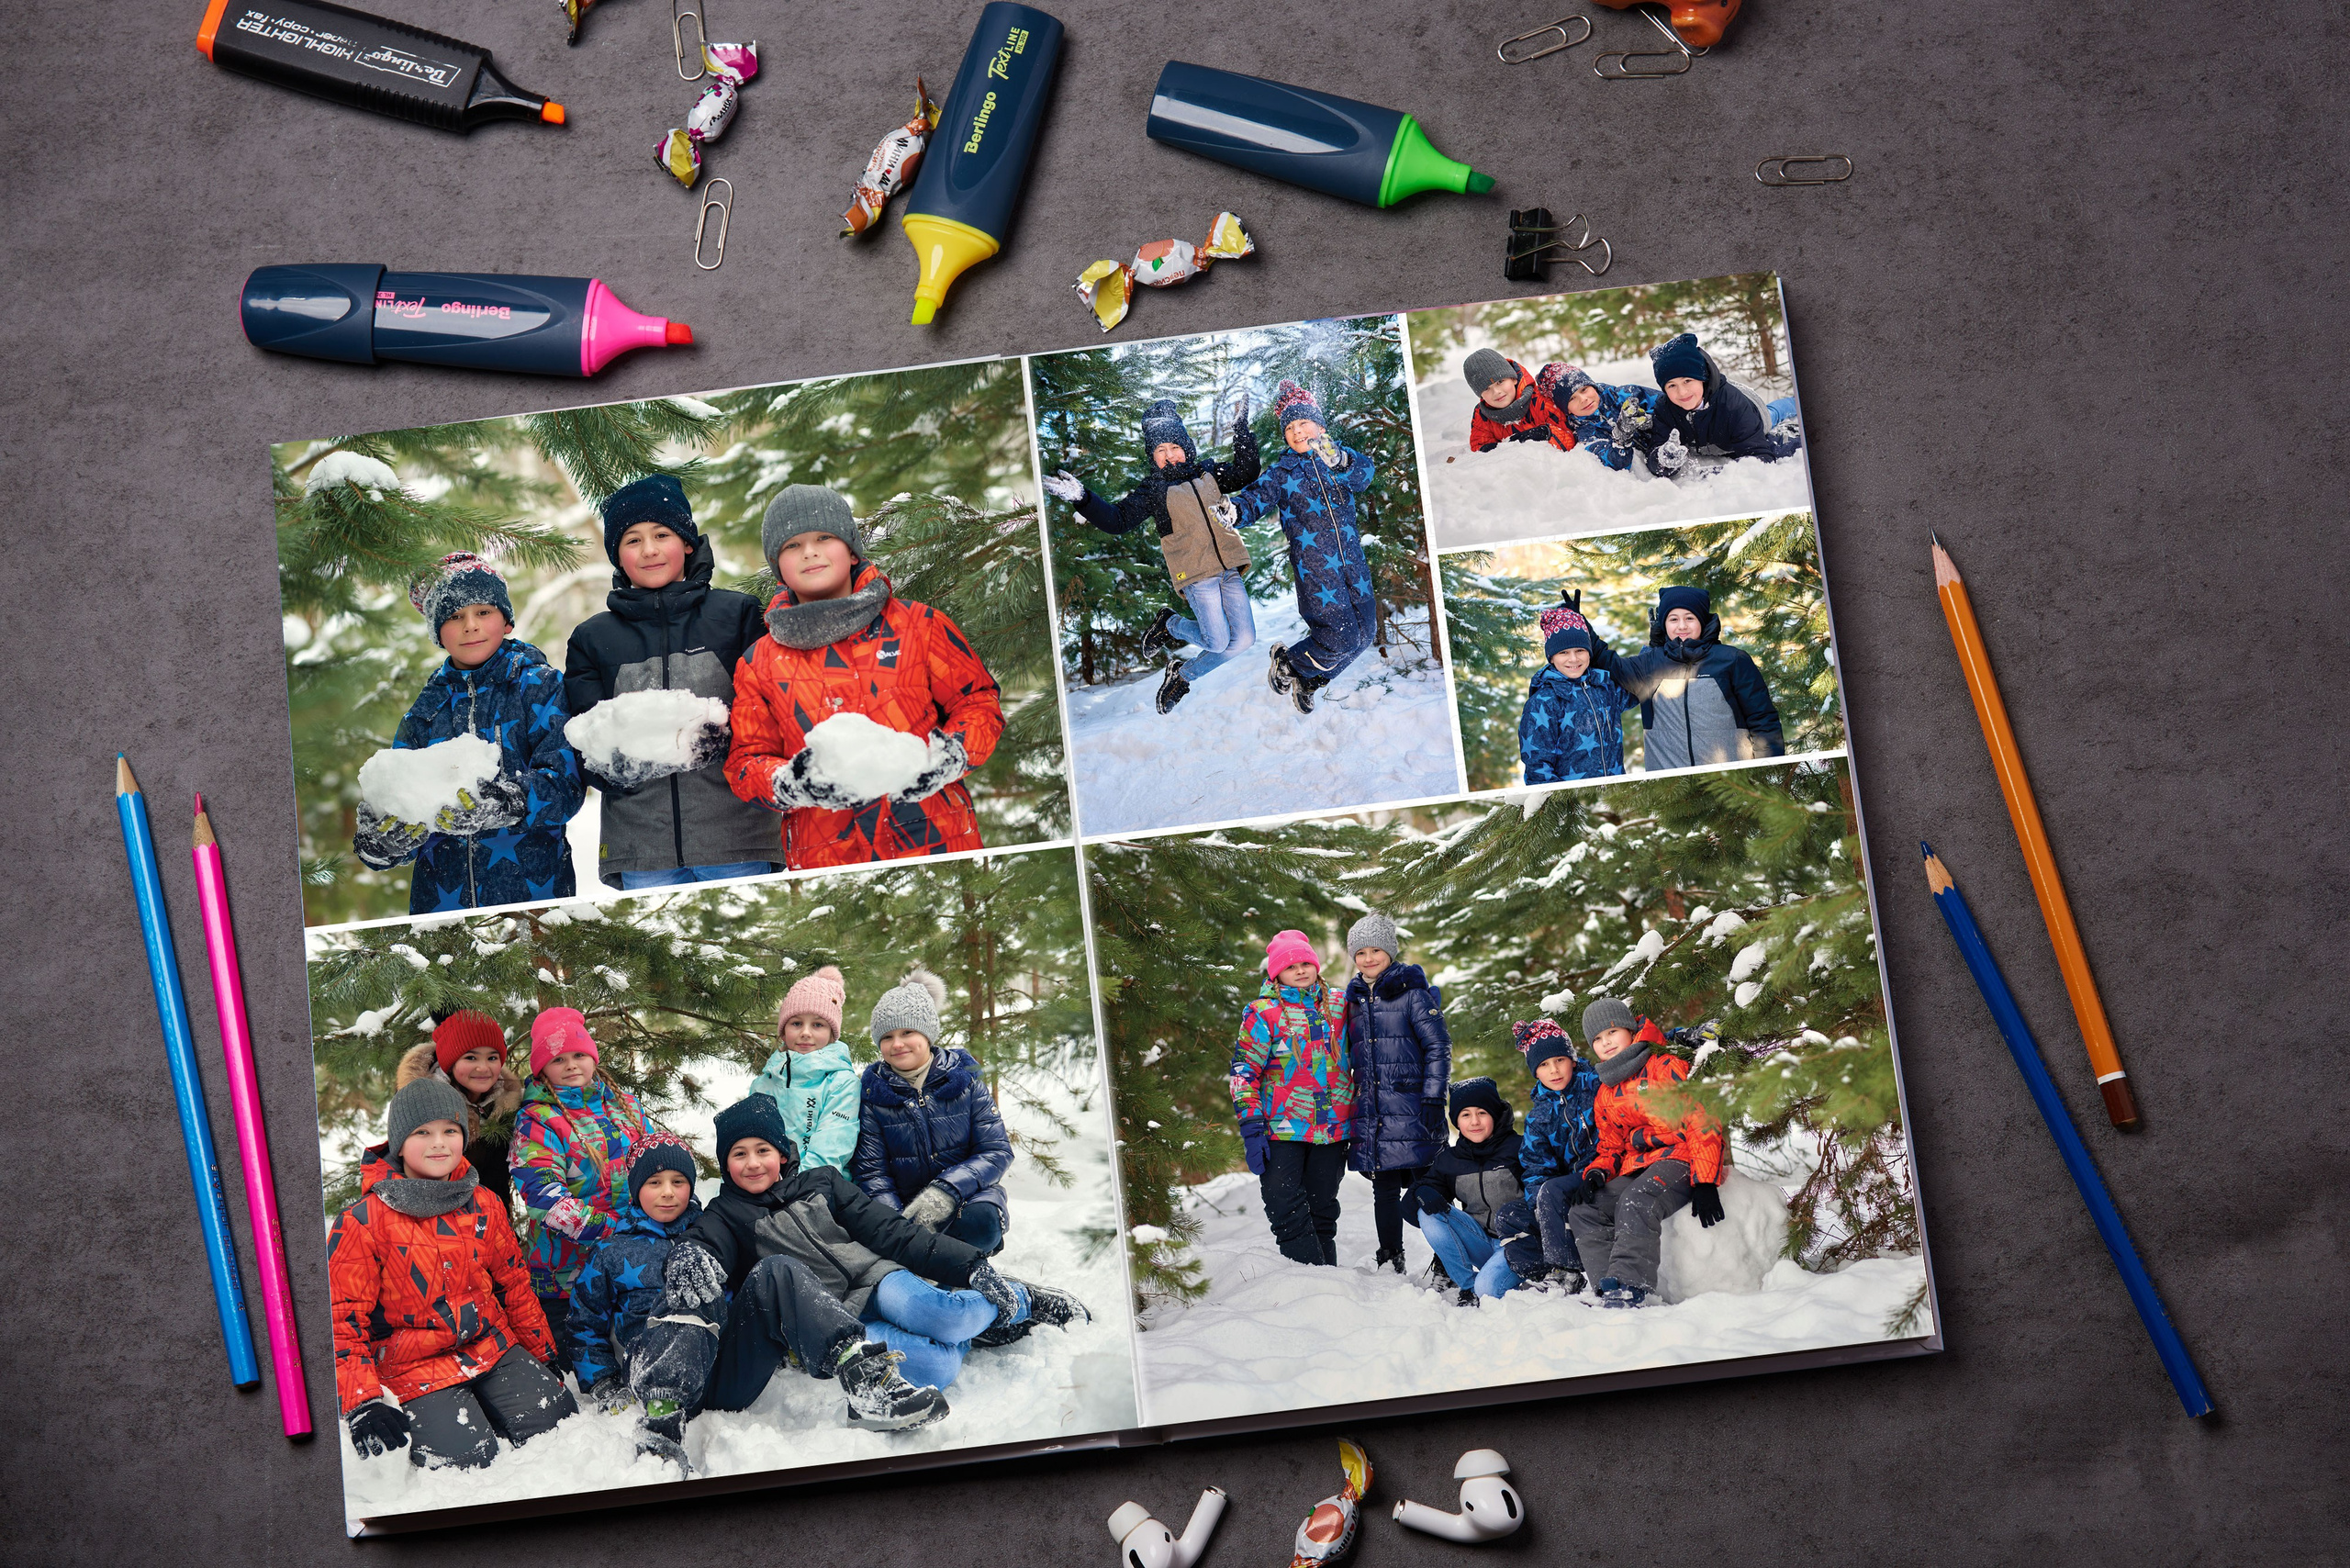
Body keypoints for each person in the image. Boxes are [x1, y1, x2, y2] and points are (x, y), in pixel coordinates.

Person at [627, 1097, 1087, 1467]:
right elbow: (705, 1242)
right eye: (738, 1154)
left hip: (877, 1277)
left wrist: (973, 1268)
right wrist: (688, 1252)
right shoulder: (725, 1214)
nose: (752, 1163)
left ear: (782, 1153)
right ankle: (976, 1333)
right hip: (834, 1317)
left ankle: (1022, 1298)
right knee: (934, 1368)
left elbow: (893, 1232)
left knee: (940, 1312)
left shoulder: (822, 1183)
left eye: (762, 1150)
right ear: (725, 1164)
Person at [724, 485, 1003, 869]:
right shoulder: (759, 662)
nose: (810, 552)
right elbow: (745, 761)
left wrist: (950, 755)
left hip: (938, 846)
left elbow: (978, 702)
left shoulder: (919, 625)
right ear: (778, 566)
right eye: (792, 545)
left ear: (852, 550)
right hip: (830, 865)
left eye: (824, 537)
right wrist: (791, 782)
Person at [329, 1079, 576, 1470]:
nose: (439, 1143)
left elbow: (513, 1284)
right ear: (398, 1143)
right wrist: (362, 1399)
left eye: (450, 1131)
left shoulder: (484, 1203)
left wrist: (542, 1352)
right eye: (422, 1133)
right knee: (466, 1460)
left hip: (489, 1346)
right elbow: (341, 1319)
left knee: (558, 1421)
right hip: (413, 1365)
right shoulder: (362, 1222)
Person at [561, 473, 781, 889]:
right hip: (642, 849)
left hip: (738, 840)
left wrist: (725, 737)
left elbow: (768, 714)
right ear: (617, 555)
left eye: (662, 534)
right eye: (632, 540)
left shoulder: (737, 616)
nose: (649, 550)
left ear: (687, 543)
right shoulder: (593, 638)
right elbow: (585, 739)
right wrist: (615, 765)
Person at [352, 551, 586, 913]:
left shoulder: (538, 686)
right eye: (454, 616)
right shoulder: (426, 711)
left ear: (506, 621)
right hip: (443, 912)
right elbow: (400, 799)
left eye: (483, 612)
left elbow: (565, 786)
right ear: (437, 633)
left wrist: (504, 803)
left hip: (535, 901)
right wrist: (382, 841)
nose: (470, 626)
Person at [1041, 396, 1260, 715]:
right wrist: (1082, 498)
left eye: (1175, 447)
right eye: (1160, 450)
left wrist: (1240, 428)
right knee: (1216, 641)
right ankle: (1170, 623)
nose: (1169, 455)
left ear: (1187, 447)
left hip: (1229, 568)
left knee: (1243, 640)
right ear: (1152, 456)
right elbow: (1117, 520)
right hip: (1196, 575)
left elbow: (1247, 471)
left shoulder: (1208, 473)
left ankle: (1182, 675)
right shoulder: (1154, 490)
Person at [1215, 381, 1379, 715]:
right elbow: (1255, 499)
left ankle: (1310, 680)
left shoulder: (1338, 459)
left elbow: (1365, 476)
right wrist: (1235, 512)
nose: (1297, 431)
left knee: (1365, 635)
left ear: (1320, 426)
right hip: (1316, 572)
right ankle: (1289, 662)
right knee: (1341, 638)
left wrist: (1341, 460)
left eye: (1303, 422)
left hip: (1354, 565)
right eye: (1289, 428)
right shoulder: (1282, 472)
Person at [509, 1007, 660, 1368]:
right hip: (568, 1279)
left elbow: (660, 1168)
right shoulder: (538, 1120)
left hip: (635, 1268)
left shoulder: (625, 1106)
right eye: (558, 1059)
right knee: (578, 1368)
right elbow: (546, 1199)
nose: (571, 1065)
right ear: (542, 1068)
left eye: (579, 1054)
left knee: (647, 1351)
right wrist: (617, 1232)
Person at [1564, 998, 1728, 1308]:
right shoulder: (1606, 1090)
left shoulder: (1665, 1065)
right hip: (1639, 1164)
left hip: (1681, 1157)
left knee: (1637, 1199)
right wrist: (1597, 1172)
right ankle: (1607, 1288)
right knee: (1585, 1210)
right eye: (1597, 1038)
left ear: (1630, 1029)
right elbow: (1610, 1145)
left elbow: (1701, 1122)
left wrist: (1705, 1181)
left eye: (1611, 1032)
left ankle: (1629, 1285)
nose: (1605, 1042)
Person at [852, 969, 1014, 1254]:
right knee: (904, 1249)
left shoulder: (964, 1081)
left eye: (907, 1032)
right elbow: (872, 1172)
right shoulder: (874, 1095)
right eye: (887, 1037)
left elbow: (996, 1150)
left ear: (927, 1034)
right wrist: (897, 1223)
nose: (897, 1043)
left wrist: (947, 1189)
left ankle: (962, 1260)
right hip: (906, 1210)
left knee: (983, 1223)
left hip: (966, 1198)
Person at [1230, 930, 1353, 1266]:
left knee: (1322, 1209)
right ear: (1276, 973)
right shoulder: (1262, 1013)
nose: (1300, 970)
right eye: (1290, 966)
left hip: (1332, 1127)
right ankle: (1310, 1281)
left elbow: (1378, 1012)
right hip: (1282, 1127)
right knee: (1283, 1205)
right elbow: (1243, 1073)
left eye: (1305, 963)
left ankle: (1328, 1282)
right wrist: (1251, 1126)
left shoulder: (1340, 1003)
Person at [1338, 912, 1450, 1274]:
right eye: (1360, 953)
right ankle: (1390, 1256)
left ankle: (1446, 1260)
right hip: (1374, 1115)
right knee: (1383, 1189)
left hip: (1414, 1108)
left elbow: (1438, 1047)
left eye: (1375, 950)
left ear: (1390, 951)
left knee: (1429, 1187)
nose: (1368, 958)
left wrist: (1433, 1097)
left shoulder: (1413, 995)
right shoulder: (1354, 1001)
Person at [566, 1137, 703, 1412]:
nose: (668, 1192)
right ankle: (662, 1417)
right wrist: (603, 1382)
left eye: (678, 1182)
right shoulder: (612, 1252)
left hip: (711, 1367)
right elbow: (584, 1323)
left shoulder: (709, 1237)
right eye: (655, 1182)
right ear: (637, 1189)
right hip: (650, 1373)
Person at [1585, 585, 1785, 771]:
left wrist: (1767, 770)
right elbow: (1605, 661)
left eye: (1690, 618)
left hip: (1731, 781)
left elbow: (1763, 720)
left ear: (1702, 621)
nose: (1682, 626)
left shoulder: (1733, 660)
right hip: (1670, 784)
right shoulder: (1650, 664)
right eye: (1673, 619)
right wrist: (1578, 624)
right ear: (1663, 623)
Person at [1410, 1079, 1542, 1305]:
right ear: (1456, 1121)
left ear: (1494, 1115)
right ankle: (1468, 1286)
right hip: (1481, 1241)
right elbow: (1410, 1207)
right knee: (1428, 1212)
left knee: (1488, 1289)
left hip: (1518, 1246)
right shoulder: (1451, 1159)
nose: (1474, 1122)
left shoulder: (1519, 1148)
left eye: (1482, 1113)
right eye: (1465, 1115)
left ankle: (1489, 1283)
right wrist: (1422, 1191)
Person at [394, 1008, 526, 1215]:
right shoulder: (422, 1104)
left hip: (490, 1221)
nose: (483, 1068)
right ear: (450, 1062)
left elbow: (498, 1183)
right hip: (431, 1221)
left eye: (492, 1058)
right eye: (471, 1058)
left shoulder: (504, 1103)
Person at [1511, 1018, 1602, 1294]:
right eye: (1543, 1065)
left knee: (1550, 1192)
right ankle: (1544, 1269)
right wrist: (1540, 1209)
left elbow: (1630, 1055)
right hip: (1568, 1185)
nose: (1554, 1070)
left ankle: (1567, 1271)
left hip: (1603, 1169)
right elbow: (1536, 1168)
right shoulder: (1539, 1116)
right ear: (1535, 1072)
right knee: (1510, 1214)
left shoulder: (1596, 1085)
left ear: (1572, 1060)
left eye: (1560, 1060)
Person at [1636, 331, 1803, 479]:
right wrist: (1663, 459)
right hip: (1722, 416)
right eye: (1672, 385)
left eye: (1687, 380)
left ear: (1702, 378)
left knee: (1773, 413)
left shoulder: (1734, 406)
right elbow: (1655, 450)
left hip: (1752, 408)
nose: (1682, 392)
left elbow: (1760, 456)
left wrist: (1723, 475)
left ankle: (1796, 402)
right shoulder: (1665, 409)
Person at [749, 964, 862, 1173]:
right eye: (796, 1023)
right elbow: (750, 1143)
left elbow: (832, 1149)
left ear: (832, 1034)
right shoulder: (764, 1083)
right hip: (767, 1183)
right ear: (783, 1031)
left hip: (821, 1184)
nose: (806, 1033)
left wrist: (792, 1184)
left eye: (818, 1025)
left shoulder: (842, 1083)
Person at [1518, 597, 1639, 784]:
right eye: (1563, 652)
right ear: (1551, 657)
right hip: (1576, 798)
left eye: (1580, 651)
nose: (1573, 659)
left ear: (1589, 652)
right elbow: (1538, 769)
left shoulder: (1604, 687)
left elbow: (1641, 684)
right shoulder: (1543, 702)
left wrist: (1659, 646)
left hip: (1615, 792)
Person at [1460, 348, 1576, 454]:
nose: (1496, 392)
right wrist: (1496, 450)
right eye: (1486, 388)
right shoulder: (1482, 415)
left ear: (1513, 379)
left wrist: (1546, 433)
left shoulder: (1542, 402)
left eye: (1500, 382)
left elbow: (1571, 439)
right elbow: (1478, 450)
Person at [1550, 365, 1660, 473]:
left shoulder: (1626, 394)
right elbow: (1616, 463)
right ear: (1567, 410)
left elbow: (1665, 403)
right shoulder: (1587, 435)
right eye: (1572, 399)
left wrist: (1653, 420)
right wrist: (1621, 438)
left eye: (1584, 390)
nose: (1583, 399)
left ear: (1593, 387)